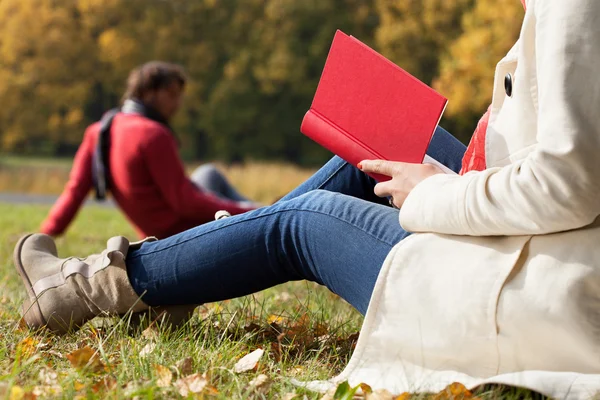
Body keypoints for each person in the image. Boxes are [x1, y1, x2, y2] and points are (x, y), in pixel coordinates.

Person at [13, 0, 600, 397]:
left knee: (300, 220)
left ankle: (91, 286)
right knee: (380, 149)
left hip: (539, 291)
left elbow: (570, 184)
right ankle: (173, 276)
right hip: (549, 251)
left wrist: (438, 192)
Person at [40, 61, 257, 240]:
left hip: (156, 234)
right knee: (244, 203)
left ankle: (265, 214)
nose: (178, 103)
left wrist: (44, 236)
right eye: (172, 95)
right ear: (147, 93)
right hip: (181, 236)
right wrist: (249, 212)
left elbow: (75, 190)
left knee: (208, 174)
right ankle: (265, 216)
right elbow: (186, 203)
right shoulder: (152, 134)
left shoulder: (99, 130)